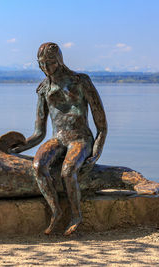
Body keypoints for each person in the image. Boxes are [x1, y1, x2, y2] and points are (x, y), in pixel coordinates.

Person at [12, 42, 107, 235]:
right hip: (58, 138)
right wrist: (15, 150)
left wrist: (97, 150)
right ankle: (56, 211)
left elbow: (102, 125)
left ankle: (76, 215)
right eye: (41, 64)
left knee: (67, 171)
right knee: (38, 166)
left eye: (50, 63)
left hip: (81, 139)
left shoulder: (81, 81)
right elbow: (39, 132)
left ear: (60, 61)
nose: (46, 68)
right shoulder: (44, 90)